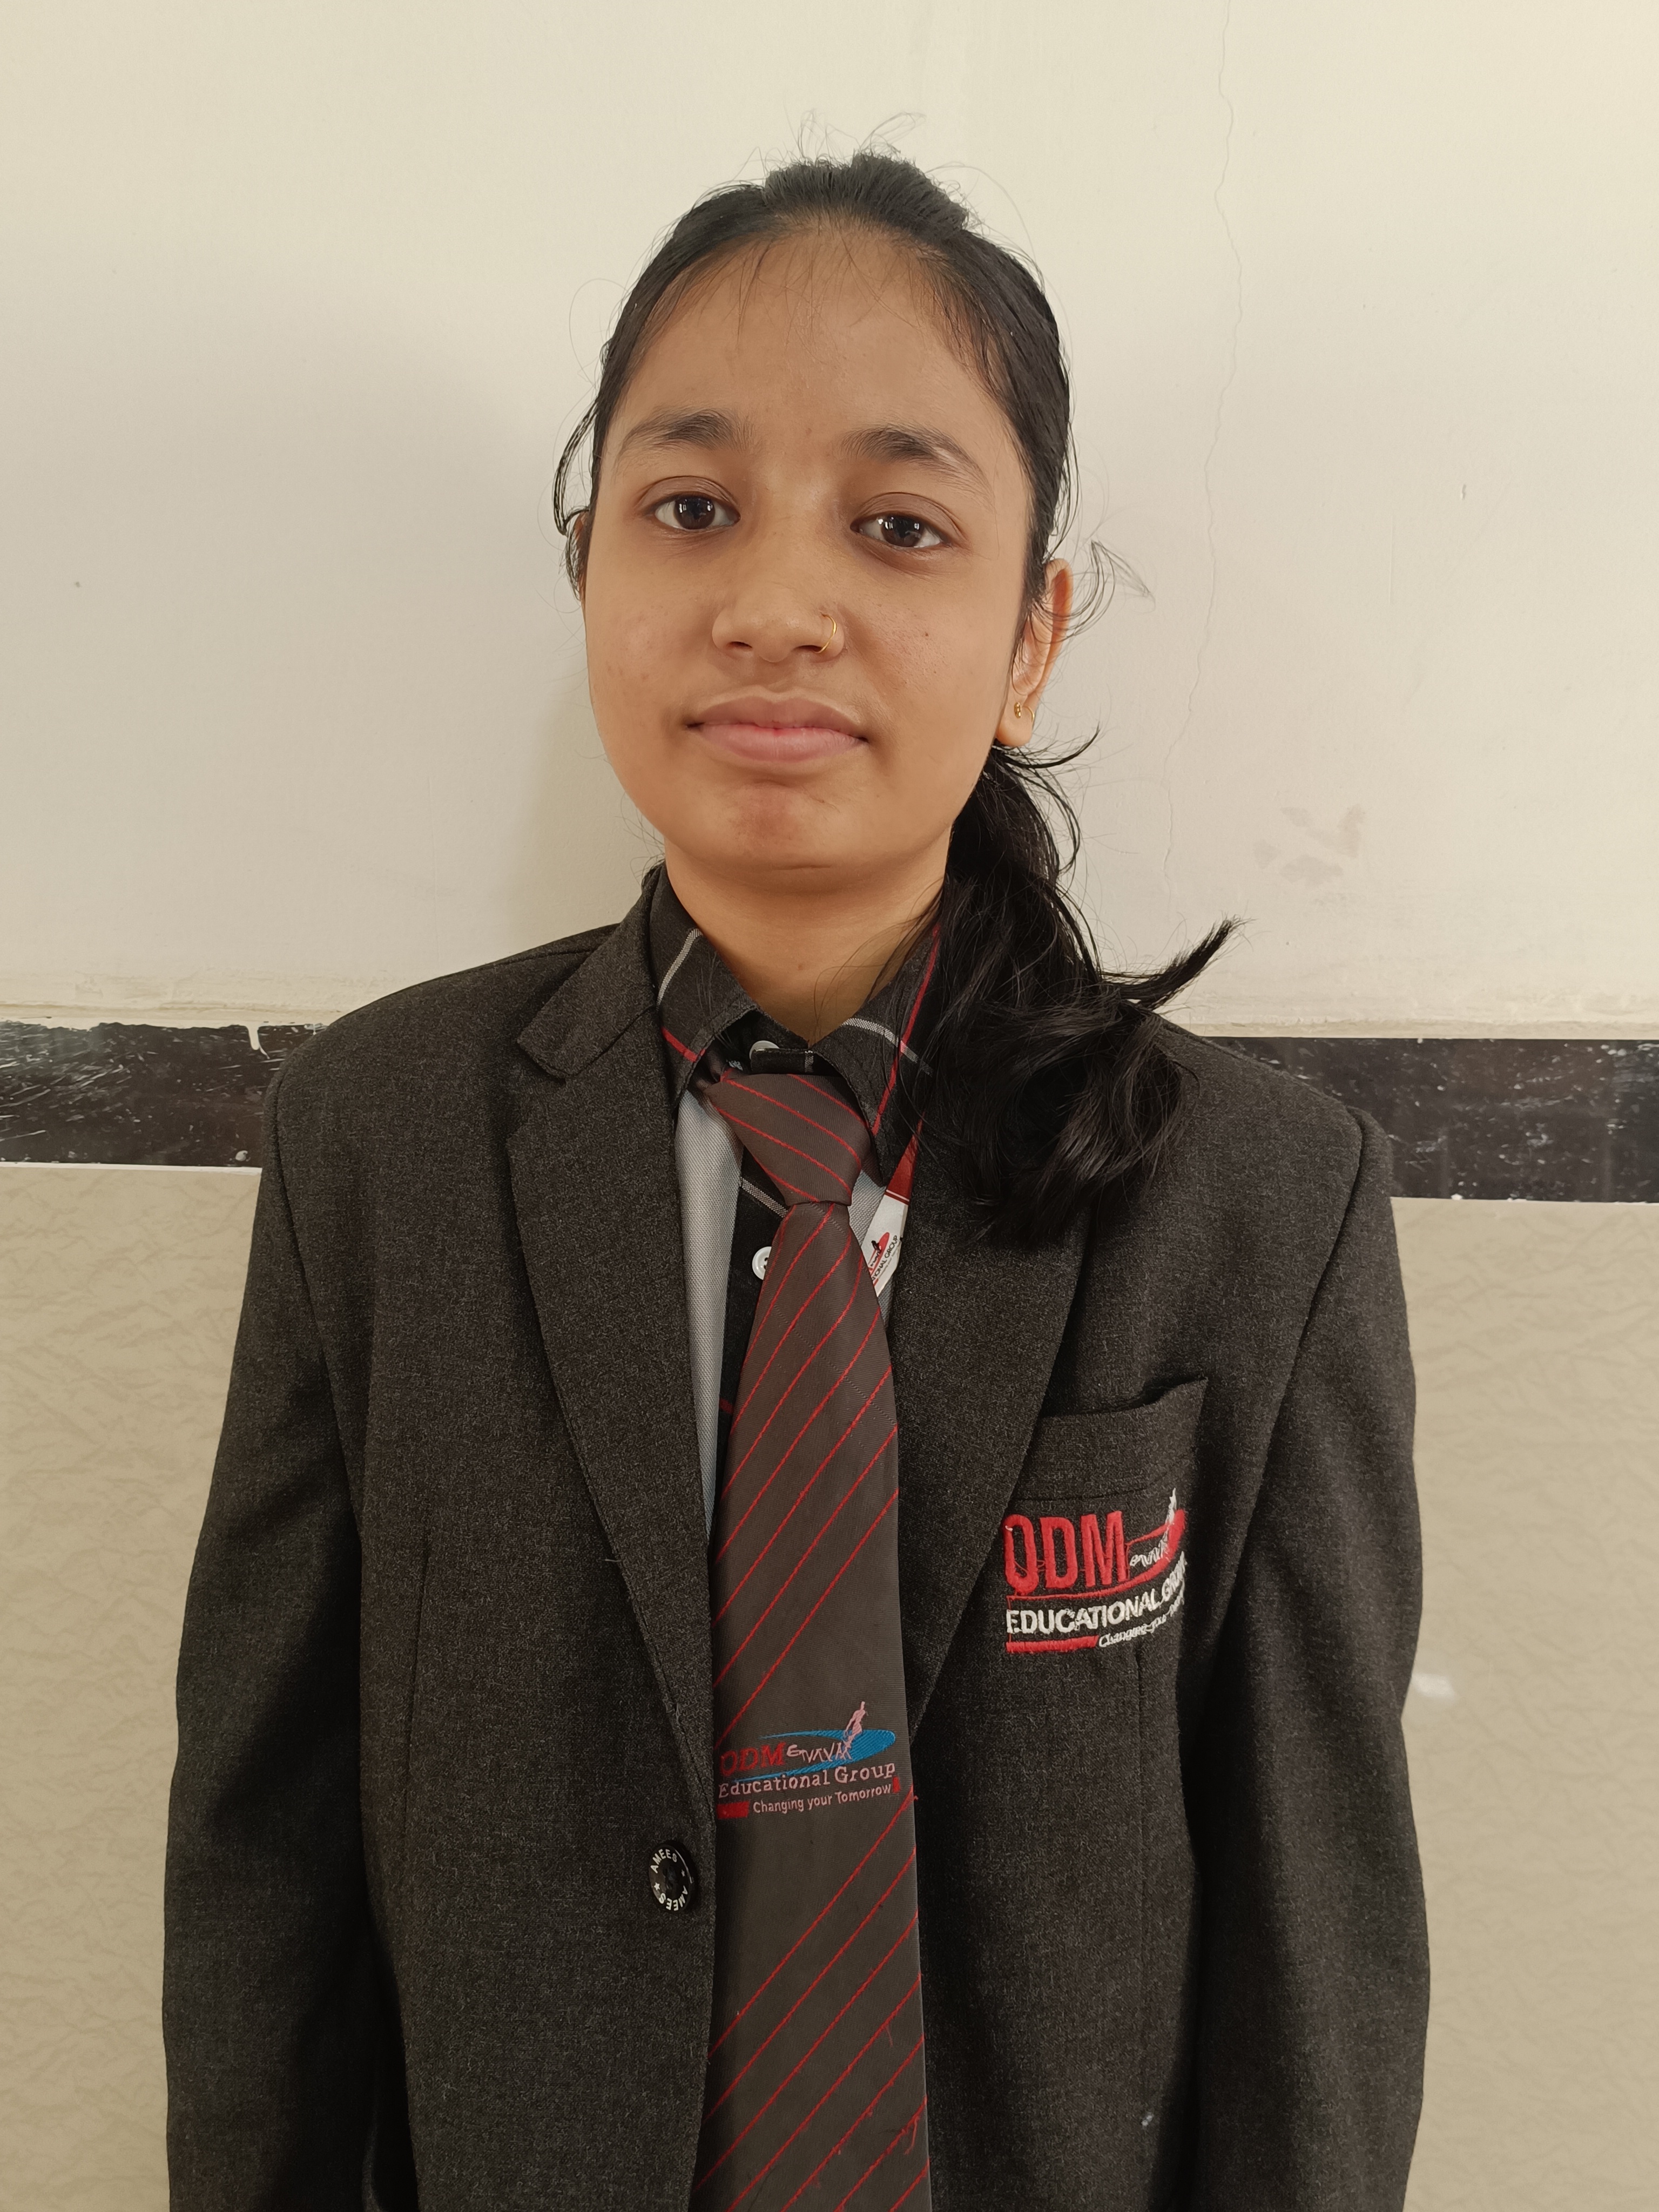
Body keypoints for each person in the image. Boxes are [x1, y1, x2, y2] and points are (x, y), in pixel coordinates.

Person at [164, 150, 1428, 2210]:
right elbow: (262, 1868)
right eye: (689, 507)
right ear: (588, 566)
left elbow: (1316, 1969)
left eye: (899, 525)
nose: (773, 605)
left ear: (1031, 637)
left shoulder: (1262, 1212)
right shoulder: (376, 1145)